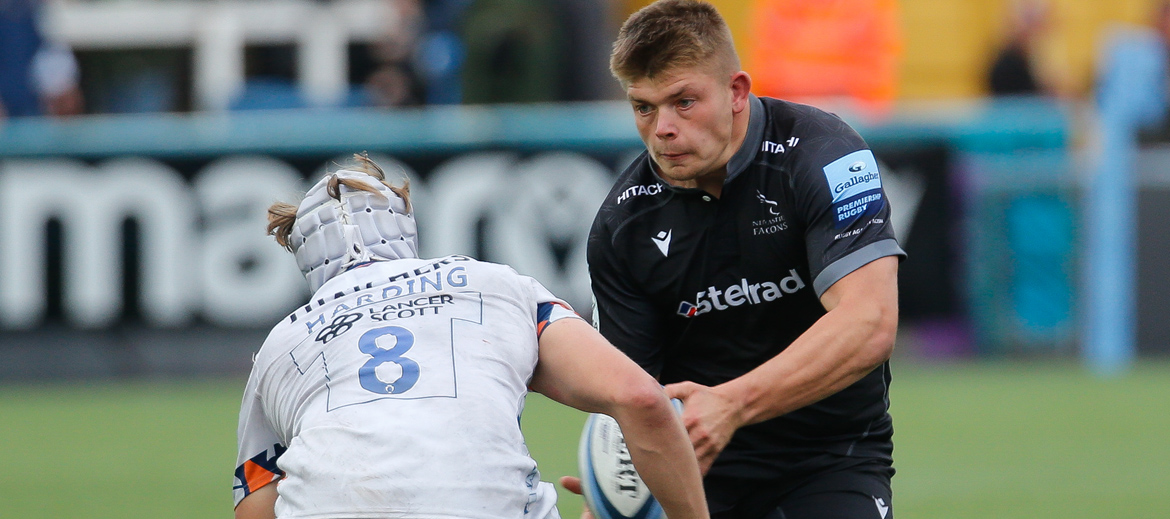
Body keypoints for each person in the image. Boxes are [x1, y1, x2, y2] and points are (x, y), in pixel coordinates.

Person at [233, 155, 709, 519]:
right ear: (404, 226)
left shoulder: (279, 345)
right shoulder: (496, 284)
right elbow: (641, 398)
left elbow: (255, 504)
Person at [573, 1, 904, 518]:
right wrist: (609, 499)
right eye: (644, 107)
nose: (663, 128)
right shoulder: (621, 227)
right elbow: (632, 396)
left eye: (684, 102)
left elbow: (871, 320)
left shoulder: (824, 154)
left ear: (736, 91)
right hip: (698, 473)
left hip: (830, 460)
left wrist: (732, 404)